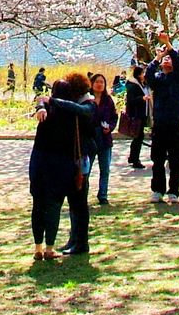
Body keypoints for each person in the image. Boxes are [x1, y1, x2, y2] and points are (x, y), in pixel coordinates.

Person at [29, 80, 94, 260]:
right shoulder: (73, 115)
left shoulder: (48, 111)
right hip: (61, 165)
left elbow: (41, 100)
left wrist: (43, 104)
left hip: (40, 162)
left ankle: (38, 247)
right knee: (54, 206)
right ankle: (49, 247)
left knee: (38, 205)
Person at [145, 33, 179, 203]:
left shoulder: (178, 77)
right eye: (165, 59)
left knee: (176, 160)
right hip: (160, 124)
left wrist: (168, 45)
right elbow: (148, 74)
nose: (167, 60)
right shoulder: (158, 79)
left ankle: (174, 191)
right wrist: (158, 57)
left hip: (176, 123)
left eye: (169, 58)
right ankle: (157, 189)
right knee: (158, 159)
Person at [90, 74, 118, 205]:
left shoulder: (108, 100)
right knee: (86, 168)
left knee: (105, 168)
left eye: (102, 82)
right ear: (92, 83)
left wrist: (110, 127)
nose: (99, 84)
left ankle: (103, 194)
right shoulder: (87, 99)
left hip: (105, 138)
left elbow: (114, 117)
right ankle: (82, 193)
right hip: (90, 138)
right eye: (97, 82)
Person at [125, 66, 149, 169]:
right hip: (137, 115)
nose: (144, 75)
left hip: (142, 114)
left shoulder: (141, 84)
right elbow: (131, 100)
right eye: (143, 73)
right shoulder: (133, 85)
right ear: (139, 74)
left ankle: (132, 157)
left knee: (138, 137)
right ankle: (135, 159)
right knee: (138, 137)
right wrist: (142, 98)